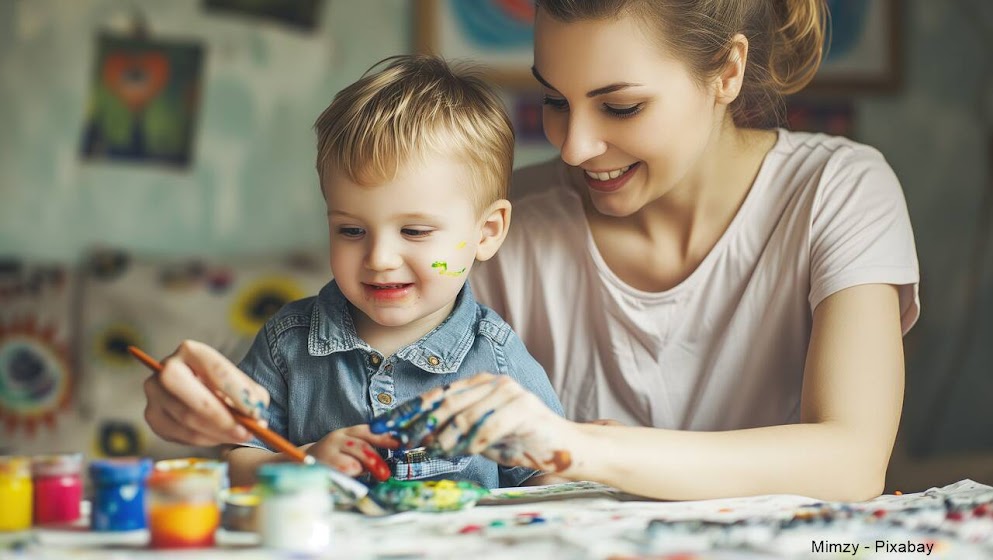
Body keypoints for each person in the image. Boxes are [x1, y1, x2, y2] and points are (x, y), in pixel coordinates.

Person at [144, 0, 919, 501]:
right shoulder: (474, 228)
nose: (576, 147)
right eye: (552, 99)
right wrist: (214, 419)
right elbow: (325, 382)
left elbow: (849, 467)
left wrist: (577, 446)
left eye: (620, 105)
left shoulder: (836, 191)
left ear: (726, 71)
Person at [158, 55, 565, 489]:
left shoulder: (498, 358)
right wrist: (307, 462)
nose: (380, 258)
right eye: (351, 230)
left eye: (414, 230)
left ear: (486, 232)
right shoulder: (287, 343)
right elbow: (235, 464)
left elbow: (550, 473)